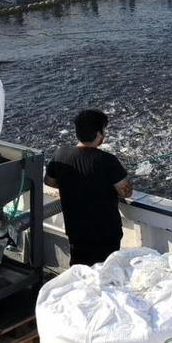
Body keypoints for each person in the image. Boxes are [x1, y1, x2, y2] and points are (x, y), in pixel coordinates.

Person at [44, 109, 132, 266]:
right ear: (99, 134)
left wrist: (71, 184)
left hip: (76, 231)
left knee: (79, 270)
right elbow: (125, 192)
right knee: (105, 272)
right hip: (106, 233)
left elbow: (49, 181)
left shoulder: (60, 154)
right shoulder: (107, 160)